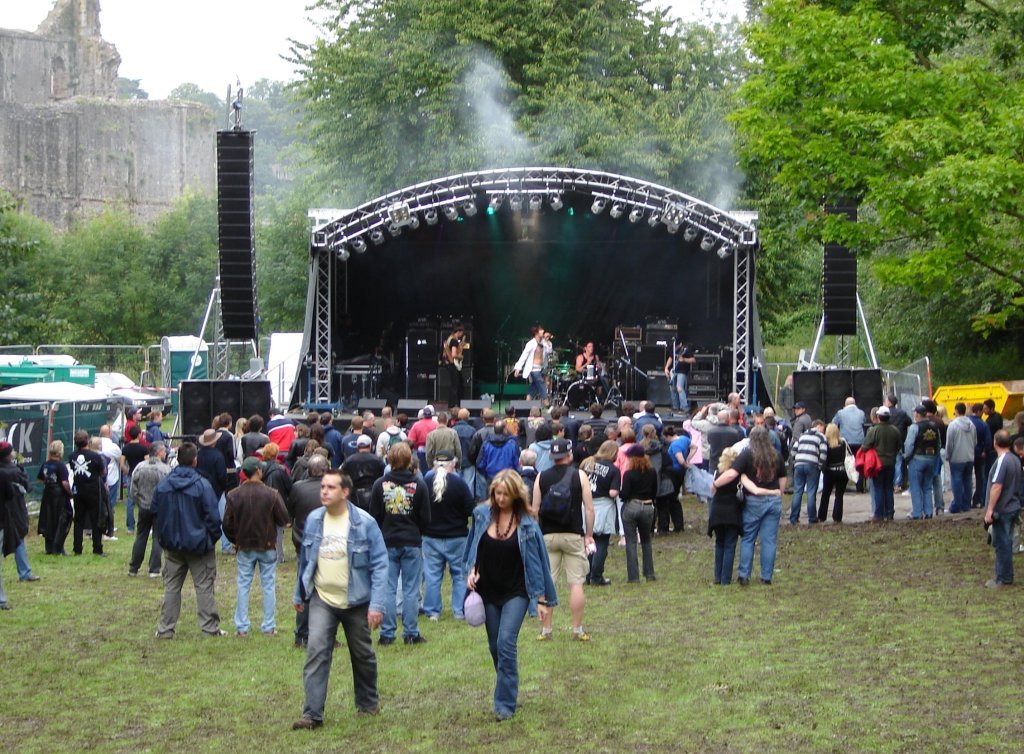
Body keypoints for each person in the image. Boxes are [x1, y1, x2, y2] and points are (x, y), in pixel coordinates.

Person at [292, 470, 388, 730]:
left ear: (345, 492)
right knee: (316, 652)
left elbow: (380, 564)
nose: (324, 491)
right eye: (323, 486)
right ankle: (312, 714)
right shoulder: (314, 519)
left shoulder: (364, 523)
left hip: (356, 600)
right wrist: (299, 592)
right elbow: (305, 559)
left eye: (331, 487)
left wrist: (377, 606)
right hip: (322, 598)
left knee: (363, 655)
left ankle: (368, 704)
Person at [463, 469, 558, 721]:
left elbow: (538, 564)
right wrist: (471, 571)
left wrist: (540, 598)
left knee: (506, 642)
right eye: (497, 493)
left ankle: (504, 704)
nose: (500, 498)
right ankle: (506, 684)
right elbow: (473, 549)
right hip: (488, 591)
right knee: (495, 646)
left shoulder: (527, 524)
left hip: (516, 592)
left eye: (505, 494)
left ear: (515, 495)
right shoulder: (482, 515)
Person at [151, 442, 226, 638]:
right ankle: (209, 628)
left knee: (172, 587)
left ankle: (165, 629)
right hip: (197, 545)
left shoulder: (165, 484)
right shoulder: (201, 485)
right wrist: (209, 539)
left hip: (176, 545)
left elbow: (155, 512)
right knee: (203, 587)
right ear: (195, 460)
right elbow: (213, 516)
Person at [531, 438, 595, 641]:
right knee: (576, 583)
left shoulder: (541, 476)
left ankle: (546, 630)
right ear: (569, 455)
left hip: (547, 535)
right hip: (573, 534)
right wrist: (589, 535)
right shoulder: (580, 475)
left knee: (547, 582)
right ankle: (577, 630)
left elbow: (534, 510)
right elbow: (590, 508)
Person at [369, 442, 430, 646]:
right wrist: (416, 531)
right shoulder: (419, 484)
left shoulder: (380, 485)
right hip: (411, 540)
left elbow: (374, 515)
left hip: (387, 540)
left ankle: (387, 633)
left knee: (388, 588)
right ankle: (411, 632)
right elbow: (425, 517)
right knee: (411, 589)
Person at [224, 456, 291, 637]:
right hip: (267, 545)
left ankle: (242, 627)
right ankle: (268, 626)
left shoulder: (233, 495)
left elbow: (226, 524)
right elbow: (284, 519)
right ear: (259, 471)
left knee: (243, 585)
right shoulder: (272, 494)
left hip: (244, 546)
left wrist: (236, 539)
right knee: (268, 585)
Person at [719, 426, 787, 585]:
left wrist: (715, 484)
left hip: (753, 501)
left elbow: (733, 473)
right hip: (773, 500)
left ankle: (744, 574)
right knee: (769, 540)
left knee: (748, 538)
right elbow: (783, 478)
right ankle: (766, 576)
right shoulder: (776, 455)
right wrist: (779, 492)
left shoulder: (747, 454)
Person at [421, 451, 476, 621]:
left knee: (432, 575)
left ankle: (432, 611)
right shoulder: (459, 484)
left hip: (430, 537)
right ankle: (459, 611)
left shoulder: (425, 482)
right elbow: (469, 510)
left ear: (434, 464)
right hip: (457, 536)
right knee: (459, 575)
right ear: (454, 464)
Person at [287, 454, 329, 647]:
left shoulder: (297, 488)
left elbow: (292, 513)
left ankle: (302, 635)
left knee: (304, 587)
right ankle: (324, 634)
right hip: (327, 545)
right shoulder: (331, 491)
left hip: (303, 543)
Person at [983, 430, 1021, 587]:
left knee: (1002, 544)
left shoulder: (1002, 461)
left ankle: (1002, 578)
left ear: (995, 442)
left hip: (1003, 509)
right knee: (1007, 541)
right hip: (1013, 506)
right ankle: (1006, 575)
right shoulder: (1015, 459)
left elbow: (997, 486)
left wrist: (990, 510)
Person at [580, 440, 620, 586]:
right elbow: (613, 492)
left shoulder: (587, 463)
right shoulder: (613, 469)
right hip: (603, 506)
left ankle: (587, 574)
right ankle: (596, 576)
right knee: (602, 542)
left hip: (586, 505)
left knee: (588, 540)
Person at [128, 441, 170, 577]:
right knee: (157, 537)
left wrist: (139, 501)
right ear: (158, 452)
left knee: (141, 536)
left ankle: (133, 567)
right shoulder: (165, 470)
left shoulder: (140, 467)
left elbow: (133, 489)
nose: (165, 453)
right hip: (159, 508)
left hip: (144, 506)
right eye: (164, 450)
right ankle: (154, 569)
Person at [0, 441, 39, 582]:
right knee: (19, 538)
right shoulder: (15, 471)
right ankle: (25, 572)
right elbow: (28, 487)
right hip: (15, 509)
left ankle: (25, 572)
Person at [619, 444, 658, 583]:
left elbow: (624, 494)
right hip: (648, 506)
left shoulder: (629, 474)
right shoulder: (652, 472)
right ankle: (649, 573)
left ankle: (633, 577)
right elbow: (655, 492)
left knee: (631, 541)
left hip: (632, 506)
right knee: (646, 540)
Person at [69, 431, 107, 557]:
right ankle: (97, 548)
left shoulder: (72, 456)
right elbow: (102, 472)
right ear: (87, 441)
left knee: (78, 520)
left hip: (78, 490)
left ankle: (77, 548)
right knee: (96, 519)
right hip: (93, 490)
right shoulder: (95, 456)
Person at [708, 447, 743, 585]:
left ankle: (717, 576)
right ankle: (726, 579)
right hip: (732, 512)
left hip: (717, 512)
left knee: (719, 543)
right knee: (730, 545)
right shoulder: (738, 475)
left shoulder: (717, 473)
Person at [862, 406, 903, 521]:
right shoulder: (895, 430)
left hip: (878, 464)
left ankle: (879, 514)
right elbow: (899, 446)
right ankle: (890, 512)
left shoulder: (874, 430)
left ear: (878, 417)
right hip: (891, 463)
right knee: (888, 488)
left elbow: (865, 446)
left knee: (879, 487)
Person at [904, 404, 941, 519]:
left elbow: (909, 445)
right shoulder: (934, 426)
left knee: (915, 487)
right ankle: (929, 512)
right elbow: (938, 443)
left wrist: (907, 457)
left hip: (917, 458)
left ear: (918, 414)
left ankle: (917, 513)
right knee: (927, 487)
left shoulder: (915, 427)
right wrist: (935, 456)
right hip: (932, 458)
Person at [37, 440, 73, 555]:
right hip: (59, 496)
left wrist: (49, 482)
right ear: (60, 452)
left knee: (49, 520)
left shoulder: (46, 464)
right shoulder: (61, 466)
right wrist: (70, 494)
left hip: (48, 494)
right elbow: (64, 483)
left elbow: (40, 478)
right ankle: (58, 547)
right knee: (62, 520)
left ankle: (49, 547)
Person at [789, 419, 828, 524]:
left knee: (797, 491)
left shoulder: (802, 436)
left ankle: (793, 518)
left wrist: (795, 461)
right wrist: (820, 466)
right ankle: (812, 518)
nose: (823, 431)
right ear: (819, 426)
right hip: (812, 465)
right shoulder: (821, 437)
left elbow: (793, 450)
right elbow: (823, 453)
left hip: (799, 464)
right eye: (823, 428)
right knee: (811, 492)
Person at [946, 402, 978, 514]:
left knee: (957, 480)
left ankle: (956, 505)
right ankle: (966, 505)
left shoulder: (953, 425)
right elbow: (975, 441)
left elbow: (949, 443)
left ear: (956, 411)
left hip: (957, 457)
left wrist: (948, 455)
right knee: (968, 480)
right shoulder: (971, 425)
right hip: (969, 457)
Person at [341, 434, 385, 511]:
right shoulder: (378, 460)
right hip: (374, 496)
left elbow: (343, 477)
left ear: (357, 446)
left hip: (354, 497)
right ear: (370, 446)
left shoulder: (349, 461)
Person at [817, 423, 850, 523]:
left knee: (825, 494)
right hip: (841, 471)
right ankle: (837, 517)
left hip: (829, 472)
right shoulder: (843, 443)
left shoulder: (825, 444)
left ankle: (822, 516)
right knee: (839, 495)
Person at [512, 326, 553, 405]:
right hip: (533, 368)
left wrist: (547, 341)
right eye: (541, 330)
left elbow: (549, 351)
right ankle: (546, 401)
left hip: (541, 368)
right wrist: (518, 368)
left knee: (534, 387)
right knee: (541, 383)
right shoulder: (530, 343)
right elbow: (524, 356)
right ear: (536, 333)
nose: (543, 331)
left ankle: (527, 403)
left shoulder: (544, 342)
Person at [664, 343, 696, 414]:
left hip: (682, 371)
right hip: (675, 370)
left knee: (679, 388)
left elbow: (693, 360)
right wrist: (666, 368)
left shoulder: (687, 349)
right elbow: (671, 357)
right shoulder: (675, 348)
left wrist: (684, 359)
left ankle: (684, 407)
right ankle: (676, 407)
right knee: (673, 388)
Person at [443, 323, 467, 408]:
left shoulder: (450, 339)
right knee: (456, 385)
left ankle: (455, 404)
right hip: (453, 365)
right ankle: (453, 405)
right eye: (462, 333)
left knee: (456, 384)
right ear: (459, 332)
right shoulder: (454, 341)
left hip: (450, 365)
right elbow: (453, 355)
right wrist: (460, 356)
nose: (462, 335)